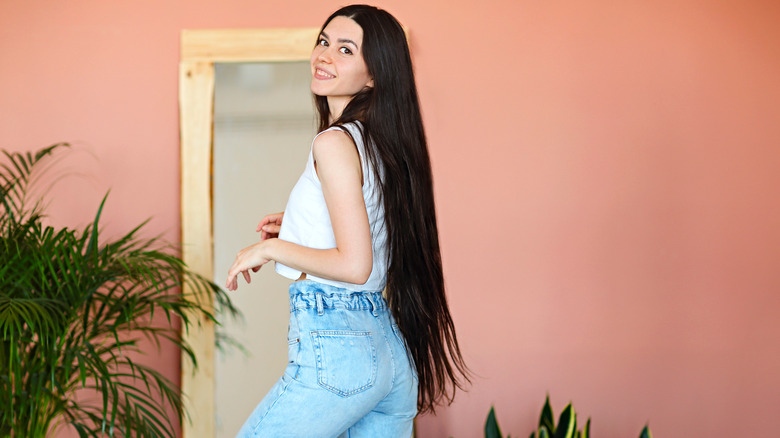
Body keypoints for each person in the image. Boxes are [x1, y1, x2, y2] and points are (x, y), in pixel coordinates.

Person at [225, 5, 470, 437]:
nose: (325, 55)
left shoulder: (334, 143)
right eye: (323, 42)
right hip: (387, 351)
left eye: (345, 50)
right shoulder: (380, 142)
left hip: (339, 346)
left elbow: (355, 265)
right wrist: (301, 224)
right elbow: (369, 227)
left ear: (374, 74)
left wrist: (269, 248)